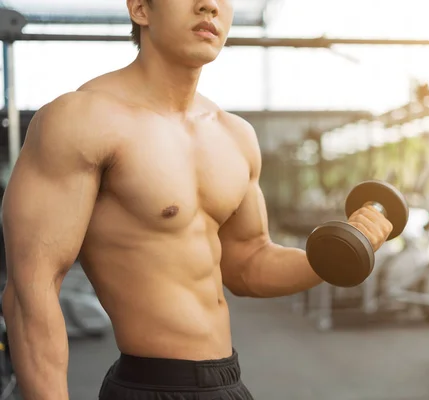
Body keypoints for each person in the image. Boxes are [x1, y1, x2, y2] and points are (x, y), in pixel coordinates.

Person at [1, 1, 394, 399]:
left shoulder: (235, 135)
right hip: (149, 386)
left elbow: (248, 263)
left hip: (228, 384)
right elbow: (30, 290)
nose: (209, 5)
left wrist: (335, 253)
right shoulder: (82, 119)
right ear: (140, 8)